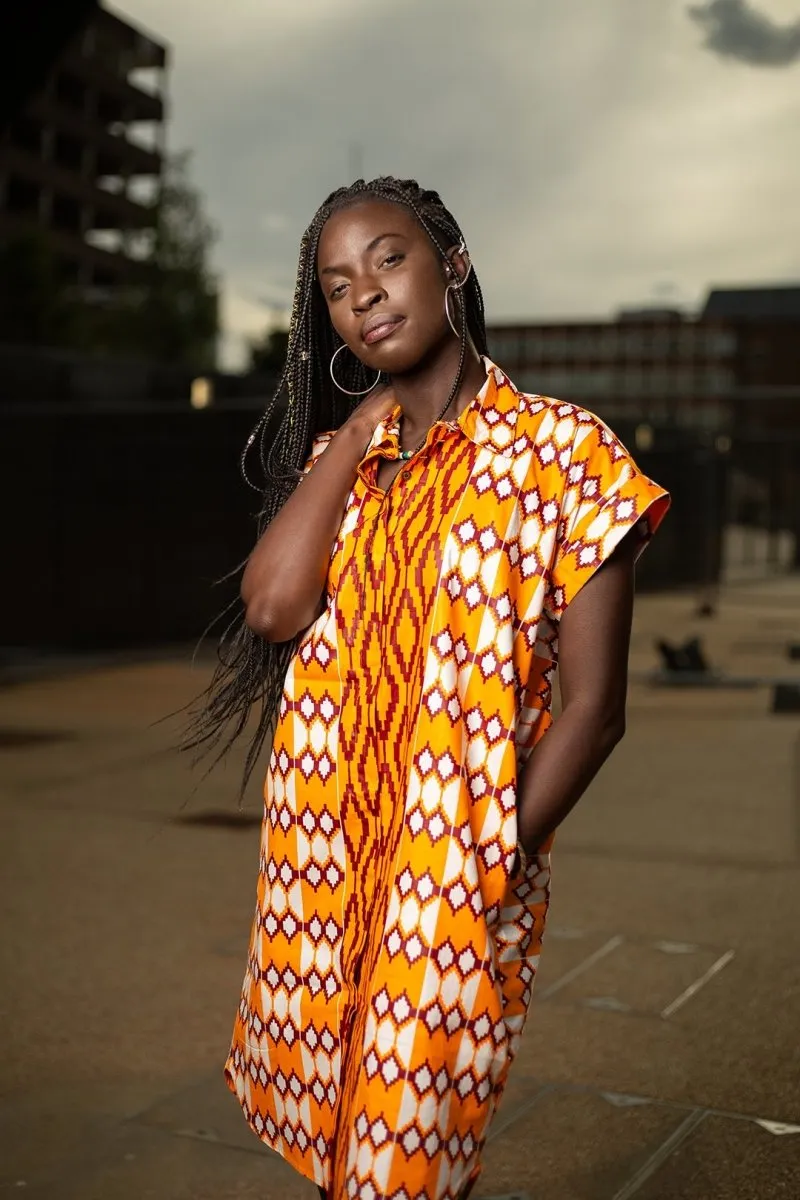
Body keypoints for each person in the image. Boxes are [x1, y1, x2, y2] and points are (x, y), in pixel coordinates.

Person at [189, 177, 669, 1200]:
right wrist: (359, 435)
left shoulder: (564, 452)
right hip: (320, 864)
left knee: (401, 1160)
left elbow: (594, 709)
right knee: (328, 1143)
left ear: (452, 264)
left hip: (452, 874)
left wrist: (488, 865)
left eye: (389, 259)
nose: (363, 293)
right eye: (335, 284)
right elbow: (272, 609)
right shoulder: (342, 459)